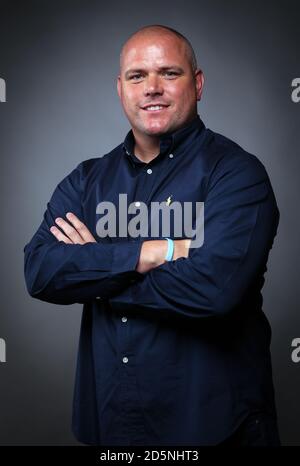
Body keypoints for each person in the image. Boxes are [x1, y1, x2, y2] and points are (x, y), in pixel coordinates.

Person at [24, 25, 281, 446]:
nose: (153, 88)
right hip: (114, 425)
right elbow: (39, 272)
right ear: (120, 88)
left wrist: (96, 267)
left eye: (170, 73)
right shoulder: (86, 181)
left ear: (197, 84)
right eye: (137, 76)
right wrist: (153, 252)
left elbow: (214, 291)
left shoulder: (236, 174)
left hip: (216, 427)